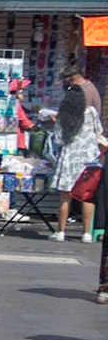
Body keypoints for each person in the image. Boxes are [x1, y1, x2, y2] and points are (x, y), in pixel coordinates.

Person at [51, 72, 106, 242]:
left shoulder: (63, 116)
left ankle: (60, 231)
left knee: (65, 196)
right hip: (89, 160)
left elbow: (58, 139)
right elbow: (99, 132)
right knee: (87, 196)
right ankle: (86, 234)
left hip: (69, 159)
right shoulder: (90, 112)